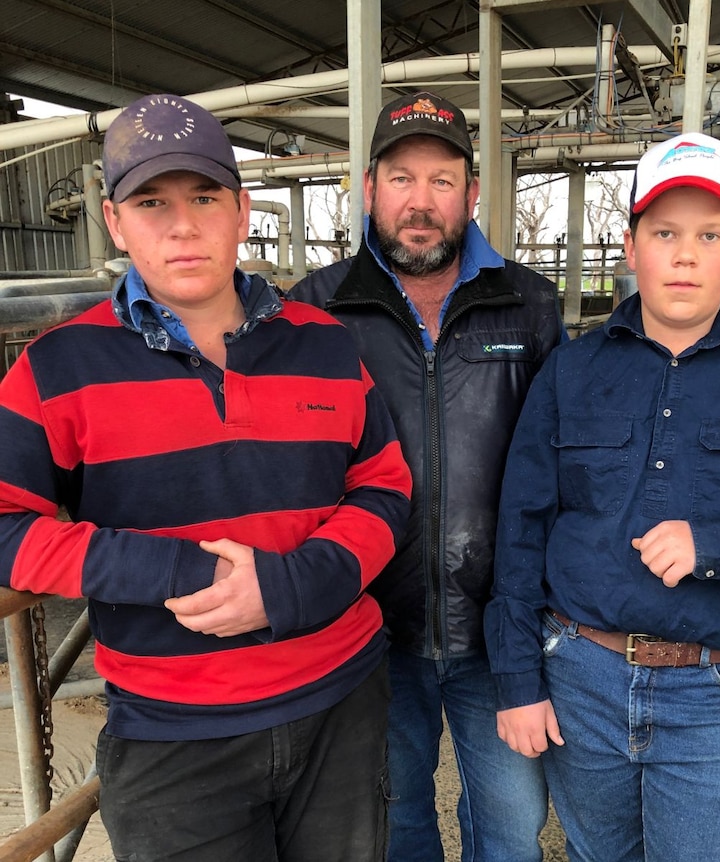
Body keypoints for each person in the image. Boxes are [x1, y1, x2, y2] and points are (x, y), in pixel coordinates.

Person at [0, 93, 412, 862]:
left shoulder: (323, 343)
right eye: (151, 201)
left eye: (204, 197)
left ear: (242, 211)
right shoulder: (54, 367)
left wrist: (288, 584)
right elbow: (5, 524)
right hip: (171, 732)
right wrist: (173, 569)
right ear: (115, 222)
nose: (183, 224)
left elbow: (385, 488)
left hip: (340, 703)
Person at [485, 132, 720, 862]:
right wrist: (515, 681)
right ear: (631, 246)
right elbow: (521, 528)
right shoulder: (571, 371)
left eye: (709, 234)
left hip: (716, 691)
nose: (685, 254)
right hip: (581, 673)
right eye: (664, 232)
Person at [291, 91, 563, 862]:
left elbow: (563, 469)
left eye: (442, 181)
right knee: (396, 812)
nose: (421, 201)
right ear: (368, 187)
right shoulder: (315, 311)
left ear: (472, 194)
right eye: (401, 178)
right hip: (368, 624)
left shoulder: (529, 306)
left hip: (500, 628)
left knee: (512, 823)